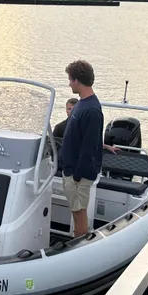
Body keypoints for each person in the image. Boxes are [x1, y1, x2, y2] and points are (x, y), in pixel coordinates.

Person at [60, 60, 103, 238]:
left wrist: (77, 175)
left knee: (79, 212)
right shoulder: (80, 104)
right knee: (75, 210)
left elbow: (90, 146)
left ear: (77, 80)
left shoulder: (92, 110)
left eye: (70, 79)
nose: (69, 83)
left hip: (79, 175)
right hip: (70, 170)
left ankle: (79, 244)